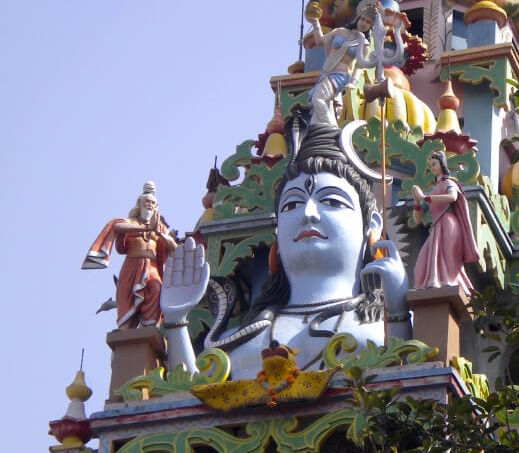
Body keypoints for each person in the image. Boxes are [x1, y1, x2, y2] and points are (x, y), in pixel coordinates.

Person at [161, 125, 410, 378]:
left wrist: (398, 311)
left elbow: (409, 386)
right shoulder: (239, 339)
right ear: (277, 231)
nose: (308, 214)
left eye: (332, 201)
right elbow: (193, 398)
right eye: (292, 204)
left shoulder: (381, 323)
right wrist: (176, 322)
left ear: (372, 224)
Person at [83, 182, 177, 328]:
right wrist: (146, 227)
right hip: (132, 266)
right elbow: (117, 227)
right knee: (127, 298)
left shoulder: (159, 227)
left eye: (153, 203)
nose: (150, 205)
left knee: (156, 288)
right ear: (139, 203)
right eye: (147, 202)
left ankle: (151, 326)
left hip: (151, 267)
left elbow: (174, 247)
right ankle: (127, 328)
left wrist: (160, 234)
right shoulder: (131, 222)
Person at [411, 150, 479, 291]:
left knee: (450, 259)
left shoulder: (449, 182)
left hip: (449, 224)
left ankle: (453, 283)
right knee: (421, 265)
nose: (432, 167)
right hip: (437, 227)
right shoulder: (432, 190)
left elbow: (453, 197)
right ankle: (433, 282)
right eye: (430, 165)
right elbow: (417, 220)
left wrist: (425, 198)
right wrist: (417, 202)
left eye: (434, 163)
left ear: (442, 164)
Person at [307, 0, 379, 126]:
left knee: (317, 99)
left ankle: (330, 129)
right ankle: (324, 127)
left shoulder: (364, 44)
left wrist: (353, 82)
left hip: (340, 76)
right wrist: (315, 22)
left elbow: (358, 66)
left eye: (368, 22)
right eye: (363, 19)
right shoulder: (340, 31)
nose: (364, 23)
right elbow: (319, 41)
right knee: (324, 105)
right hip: (325, 73)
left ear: (371, 27)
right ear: (358, 18)